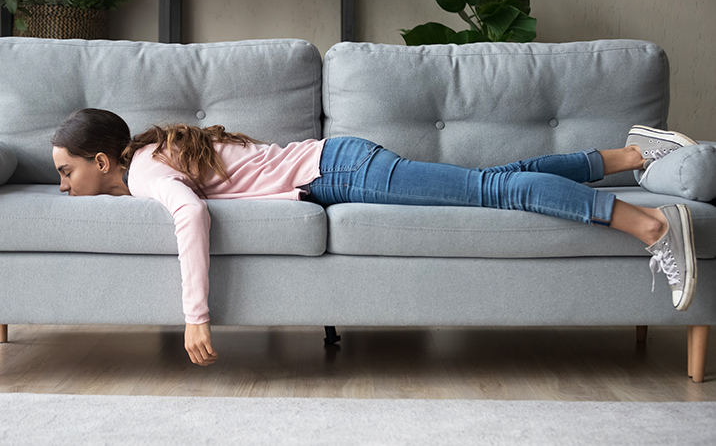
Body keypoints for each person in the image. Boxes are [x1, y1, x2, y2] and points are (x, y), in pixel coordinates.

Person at [51, 108, 699, 367]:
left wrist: (196, 316)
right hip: (338, 165)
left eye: (66, 171)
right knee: (485, 179)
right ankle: (630, 156)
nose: (61, 185)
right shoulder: (145, 157)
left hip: (340, 169)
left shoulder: (141, 173)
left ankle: (652, 225)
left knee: (490, 192)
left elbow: (190, 215)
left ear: (102, 161)